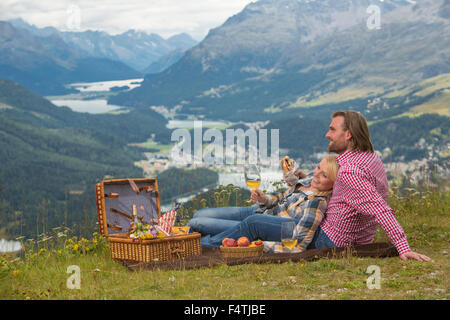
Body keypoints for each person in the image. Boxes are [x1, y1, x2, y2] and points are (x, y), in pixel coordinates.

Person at [315, 110, 430, 261]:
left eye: (332, 130)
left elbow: (379, 208)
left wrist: (403, 247)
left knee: (280, 223)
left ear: (348, 134)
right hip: (361, 240)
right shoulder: (370, 158)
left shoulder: (349, 172)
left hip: (331, 241)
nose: (327, 135)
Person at [188, 154, 339, 252]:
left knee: (197, 223)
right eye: (318, 167)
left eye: (324, 175)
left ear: (334, 183)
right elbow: (281, 198)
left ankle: (194, 247)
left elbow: (300, 242)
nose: (317, 174)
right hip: (260, 210)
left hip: (264, 223)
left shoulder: (317, 203)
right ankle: (189, 242)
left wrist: (260, 246)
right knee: (199, 214)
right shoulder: (307, 181)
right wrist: (265, 199)